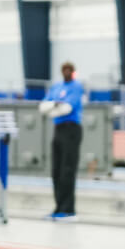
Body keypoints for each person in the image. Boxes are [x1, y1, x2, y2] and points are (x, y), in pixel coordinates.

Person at [39, 62, 84, 221]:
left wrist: (53, 107)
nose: (66, 72)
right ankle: (58, 207)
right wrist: (54, 106)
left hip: (71, 129)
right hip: (58, 129)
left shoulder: (76, 87)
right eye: (64, 69)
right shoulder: (56, 87)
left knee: (67, 170)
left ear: (72, 72)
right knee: (56, 171)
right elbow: (43, 107)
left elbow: (67, 108)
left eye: (69, 70)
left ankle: (68, 210)